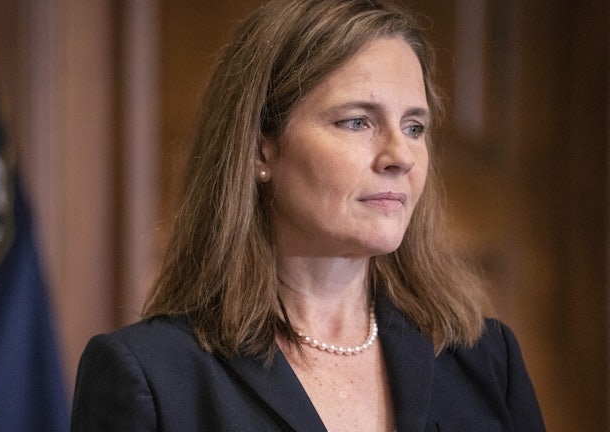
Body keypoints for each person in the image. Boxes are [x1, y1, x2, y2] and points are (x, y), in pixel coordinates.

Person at [71, 0, 545, 430]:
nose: (400, 154)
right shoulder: (149, 374)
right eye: (357, 121)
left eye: (414, 126)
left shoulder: (484, 358)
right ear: (261, 149)